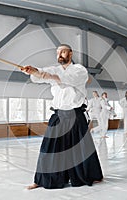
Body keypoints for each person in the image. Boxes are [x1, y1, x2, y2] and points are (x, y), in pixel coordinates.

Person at [21, 44, 103, 189]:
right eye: (58, 52)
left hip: (75, 114)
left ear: (70, 54)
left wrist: (48, 76)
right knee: (48, 148)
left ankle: (91, 175)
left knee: (82, 148)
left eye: (63, 51)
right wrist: (33, 71)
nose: (60, 54)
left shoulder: (80, 70)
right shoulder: (54, 69)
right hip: (59, 114)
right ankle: (41, 179)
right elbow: (41, 75)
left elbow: (66, 79)